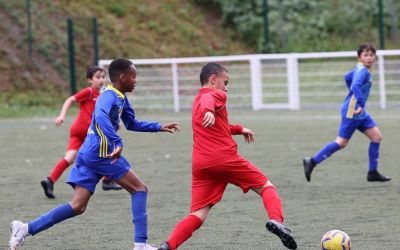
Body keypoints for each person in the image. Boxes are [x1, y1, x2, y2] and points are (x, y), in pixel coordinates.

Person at [9, 58, 181, 250]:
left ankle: (24, 228)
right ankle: (140, 244)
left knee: (77, 206)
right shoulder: (108, 96)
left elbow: (131, 123)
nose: (136, 81)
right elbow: (99, 117)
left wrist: (158, 126)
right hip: (102, 154)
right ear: (122, 77)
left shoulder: (121, 97)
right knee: (139, 190)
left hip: (88, 153)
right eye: (134, 77)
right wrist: (116, 141)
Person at [158, 63, 297, 250]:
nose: (226, 87)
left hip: (201, 165)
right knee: (266, 187)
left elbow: (220, 125)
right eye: (225, 82)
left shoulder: (196, 101)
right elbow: (211, 100)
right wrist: (209, 110)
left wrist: (239, 129)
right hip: (223, 159)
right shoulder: (216, 95)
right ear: (213, 79)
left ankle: (168, 246)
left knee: (197, 214)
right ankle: (277, 221)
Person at [303, 43, 391, 183]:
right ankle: (312, 162)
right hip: (354, 110)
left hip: (359, 111)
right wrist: (360, 102)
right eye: (365, 55)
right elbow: (355, 85)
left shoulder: (360, 68)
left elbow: (347, 77)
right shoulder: (363, 71)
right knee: (342, 142)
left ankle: (372, 172)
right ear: (359, 57)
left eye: (371, 55)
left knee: (376, 136)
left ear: (375, 57)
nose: (369, 58)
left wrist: (354, 96)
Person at [41, 66, 122, 199]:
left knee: (69, 158)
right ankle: (107, 181)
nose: (101, 80)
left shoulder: (101, 95)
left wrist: (115, 121)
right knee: (110, 148)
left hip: (77, 130)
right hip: (87, 131)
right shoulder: (89, 92)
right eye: (97, 77)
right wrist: (62, 116)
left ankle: (50, 180)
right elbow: (70, 100)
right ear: (90, 80)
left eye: (103, 77)